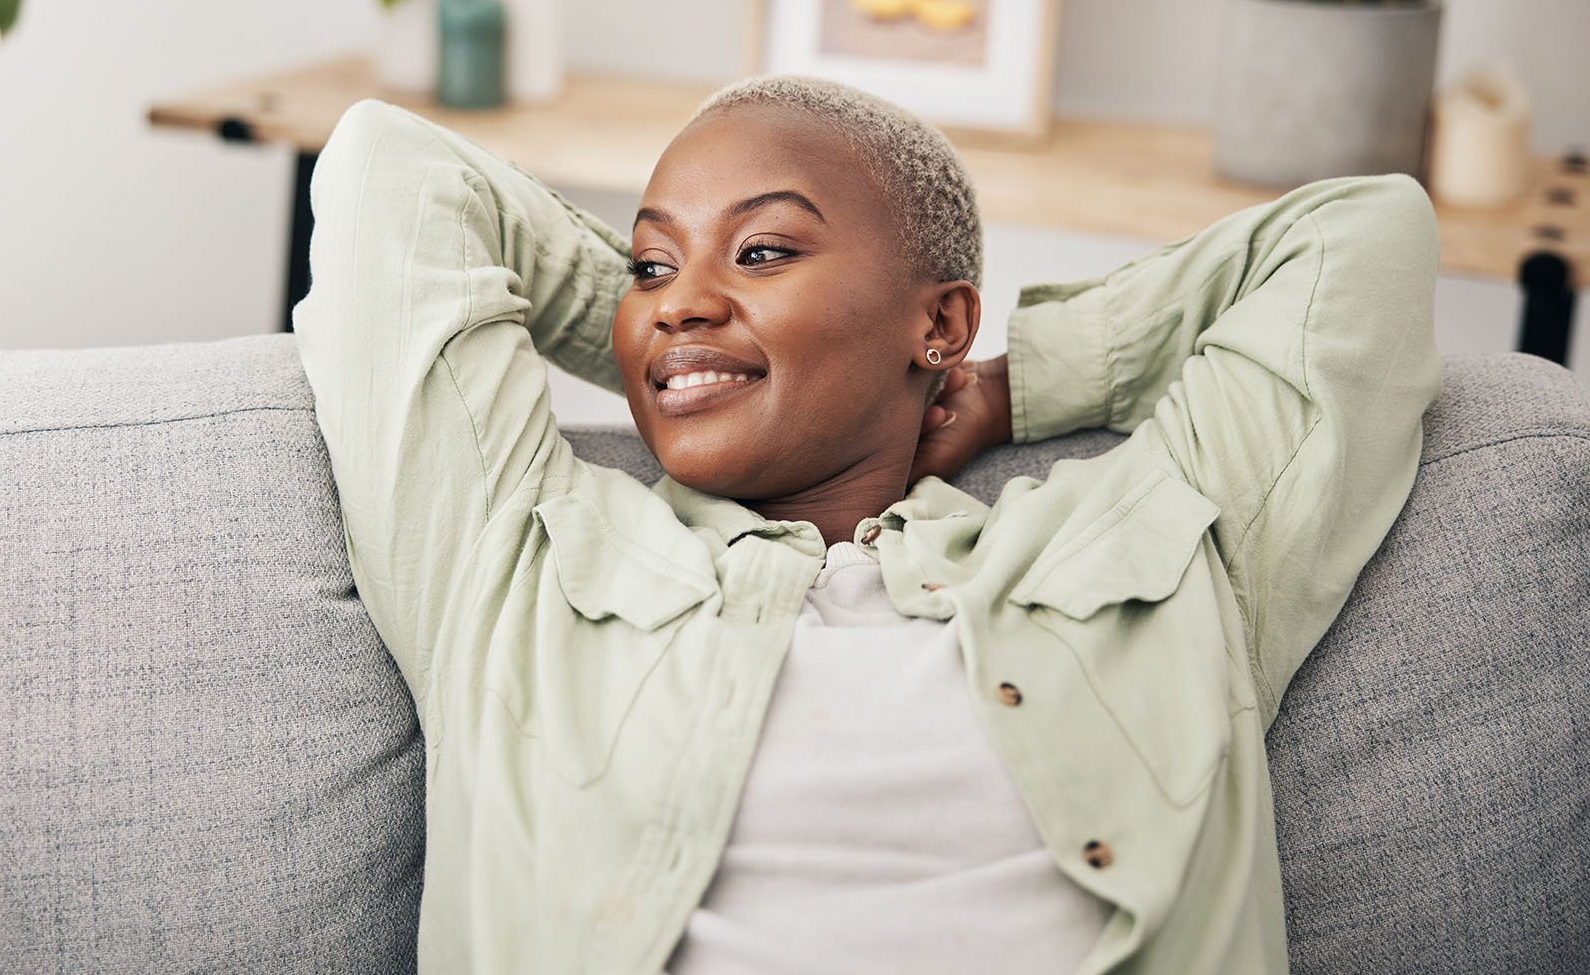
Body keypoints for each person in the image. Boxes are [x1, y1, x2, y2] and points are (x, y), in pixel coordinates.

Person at [290, 76, 1443, 974]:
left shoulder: (1160, 543)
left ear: (937, 321)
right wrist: (687, 343)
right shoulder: (513, 555)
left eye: (764, 249)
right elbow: (387, 172)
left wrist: (998, 385)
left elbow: (1363, 242)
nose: (678, 292)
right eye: (647, 262)